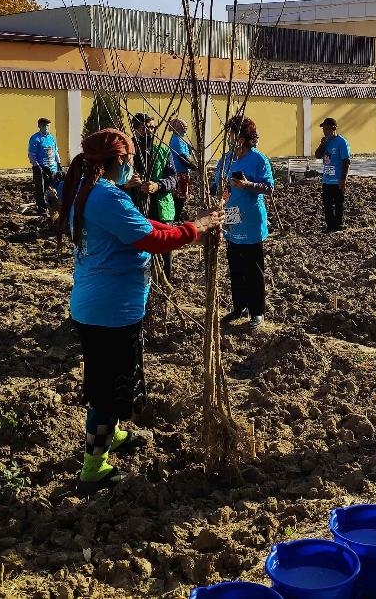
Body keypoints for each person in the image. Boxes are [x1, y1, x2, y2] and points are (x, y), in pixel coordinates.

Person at [56, 128, 222, 493]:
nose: (133, 164)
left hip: (103, 306)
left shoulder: (94, 192)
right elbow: (153, 239)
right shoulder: (106, 198)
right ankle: (94, 468)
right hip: (109, 311)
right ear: (118, 160)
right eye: (129, 157)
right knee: (106, 389)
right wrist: (199, 227)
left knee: (113, 380)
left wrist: (184, 226)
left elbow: (146, 226)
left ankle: (112, 433)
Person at [213, 116, 274, 328]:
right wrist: (218, 196)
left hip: (251, 219)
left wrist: (247, 184)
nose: (230, 138)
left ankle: (257, 311)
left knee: (254, 269)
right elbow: (218, 186)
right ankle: (239, 307)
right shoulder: (226, 159)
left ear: (244, 137)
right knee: (235, 266)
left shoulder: (258, 160)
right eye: (229, 134)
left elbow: (269, 188)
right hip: (231, 215)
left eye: (233, 134)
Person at [128, 113, 179, 279]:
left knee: (165, 250)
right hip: (136, 208)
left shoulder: (163, 151)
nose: (151, 131)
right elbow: (112, 180)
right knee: (140, 253)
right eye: (146, 128)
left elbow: (173, 179)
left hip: (162, 209)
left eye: (153, 127)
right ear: (135, 130)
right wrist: (126, 183)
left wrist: (158, 185)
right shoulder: (127, 153)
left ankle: (164, 283)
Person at [314, 117, 351, 232]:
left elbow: (346, 161)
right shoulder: (326, 142)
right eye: (324, 129)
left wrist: (343, 179)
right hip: (326, 180)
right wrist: (322, 145)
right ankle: (330, 226)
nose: (325, 131)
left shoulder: (342, 142)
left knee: (339, 204)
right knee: (327, 205)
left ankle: (338, 225)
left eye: (327, 129)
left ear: (334, 128)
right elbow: (317, 155)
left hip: (337, 180)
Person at [28, 118, 61, 216]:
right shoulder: (35, 138)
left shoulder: (51, 138)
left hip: (53, 168)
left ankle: (54, 207)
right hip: (41, 168)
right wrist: (36, 165)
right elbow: (31, 153)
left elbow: (55, 152)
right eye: (43, 125)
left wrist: (59, 163)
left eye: (47, 126)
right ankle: (42, 209)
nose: (46, 127)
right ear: (39, 126)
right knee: (41, 189)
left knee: (54, 188)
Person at [167, 116, 196, 220]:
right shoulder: (176, 141)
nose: (185, 131)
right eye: (183, 129)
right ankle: (176, 219)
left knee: (181, 198)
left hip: (183, 173)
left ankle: (176, 218)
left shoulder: (180, 140)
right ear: (178, 129)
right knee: (179, 199)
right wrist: (195, 168)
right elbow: (182, 158)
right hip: (180, 173)